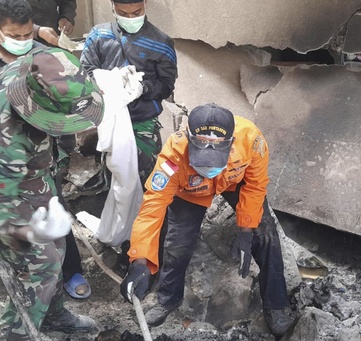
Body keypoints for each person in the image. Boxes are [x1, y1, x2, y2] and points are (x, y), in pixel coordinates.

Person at [120, 104, 295, 338]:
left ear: (231, 143)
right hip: (190, 191)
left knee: (265, 234)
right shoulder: (174, 154)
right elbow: (152, 208)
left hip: (234, 182)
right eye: (202, 161)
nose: (208, 168)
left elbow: (255, 185)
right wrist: (139, 261)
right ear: (190, 142)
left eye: (215, 160)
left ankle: (276, 306)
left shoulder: (251, 140)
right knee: (177, 244)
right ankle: (168, 299)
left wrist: (246, 228)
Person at [0, 47, 104, 340]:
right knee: (41, 265)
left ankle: (52, 315)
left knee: (60, 243)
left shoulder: (40, 68)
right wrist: (28, 233)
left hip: (32, 169)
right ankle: (13, 335)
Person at [0, 0, 92, 300]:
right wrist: (29, 236)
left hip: (39, 159)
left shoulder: (40, 56)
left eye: (27, 35)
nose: (22, 42)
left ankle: (64, 282)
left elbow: (61, 106)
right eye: (15, 35)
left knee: (57, 232)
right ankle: (22, 313)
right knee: (33, 254)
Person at [80, 0, 177, 268]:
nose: (130, 17)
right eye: (124, 13)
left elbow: (167, 84)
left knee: (150, 186)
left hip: (142, 124)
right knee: (117, 181)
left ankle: (147, 249)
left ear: (145, 5)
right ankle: (123, 240)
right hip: (110, 122)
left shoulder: (160, 41)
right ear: (113, 7)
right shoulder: (99, 36)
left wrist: (141, 88)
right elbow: (84, 74)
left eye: (136, 13)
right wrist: (108, 82)